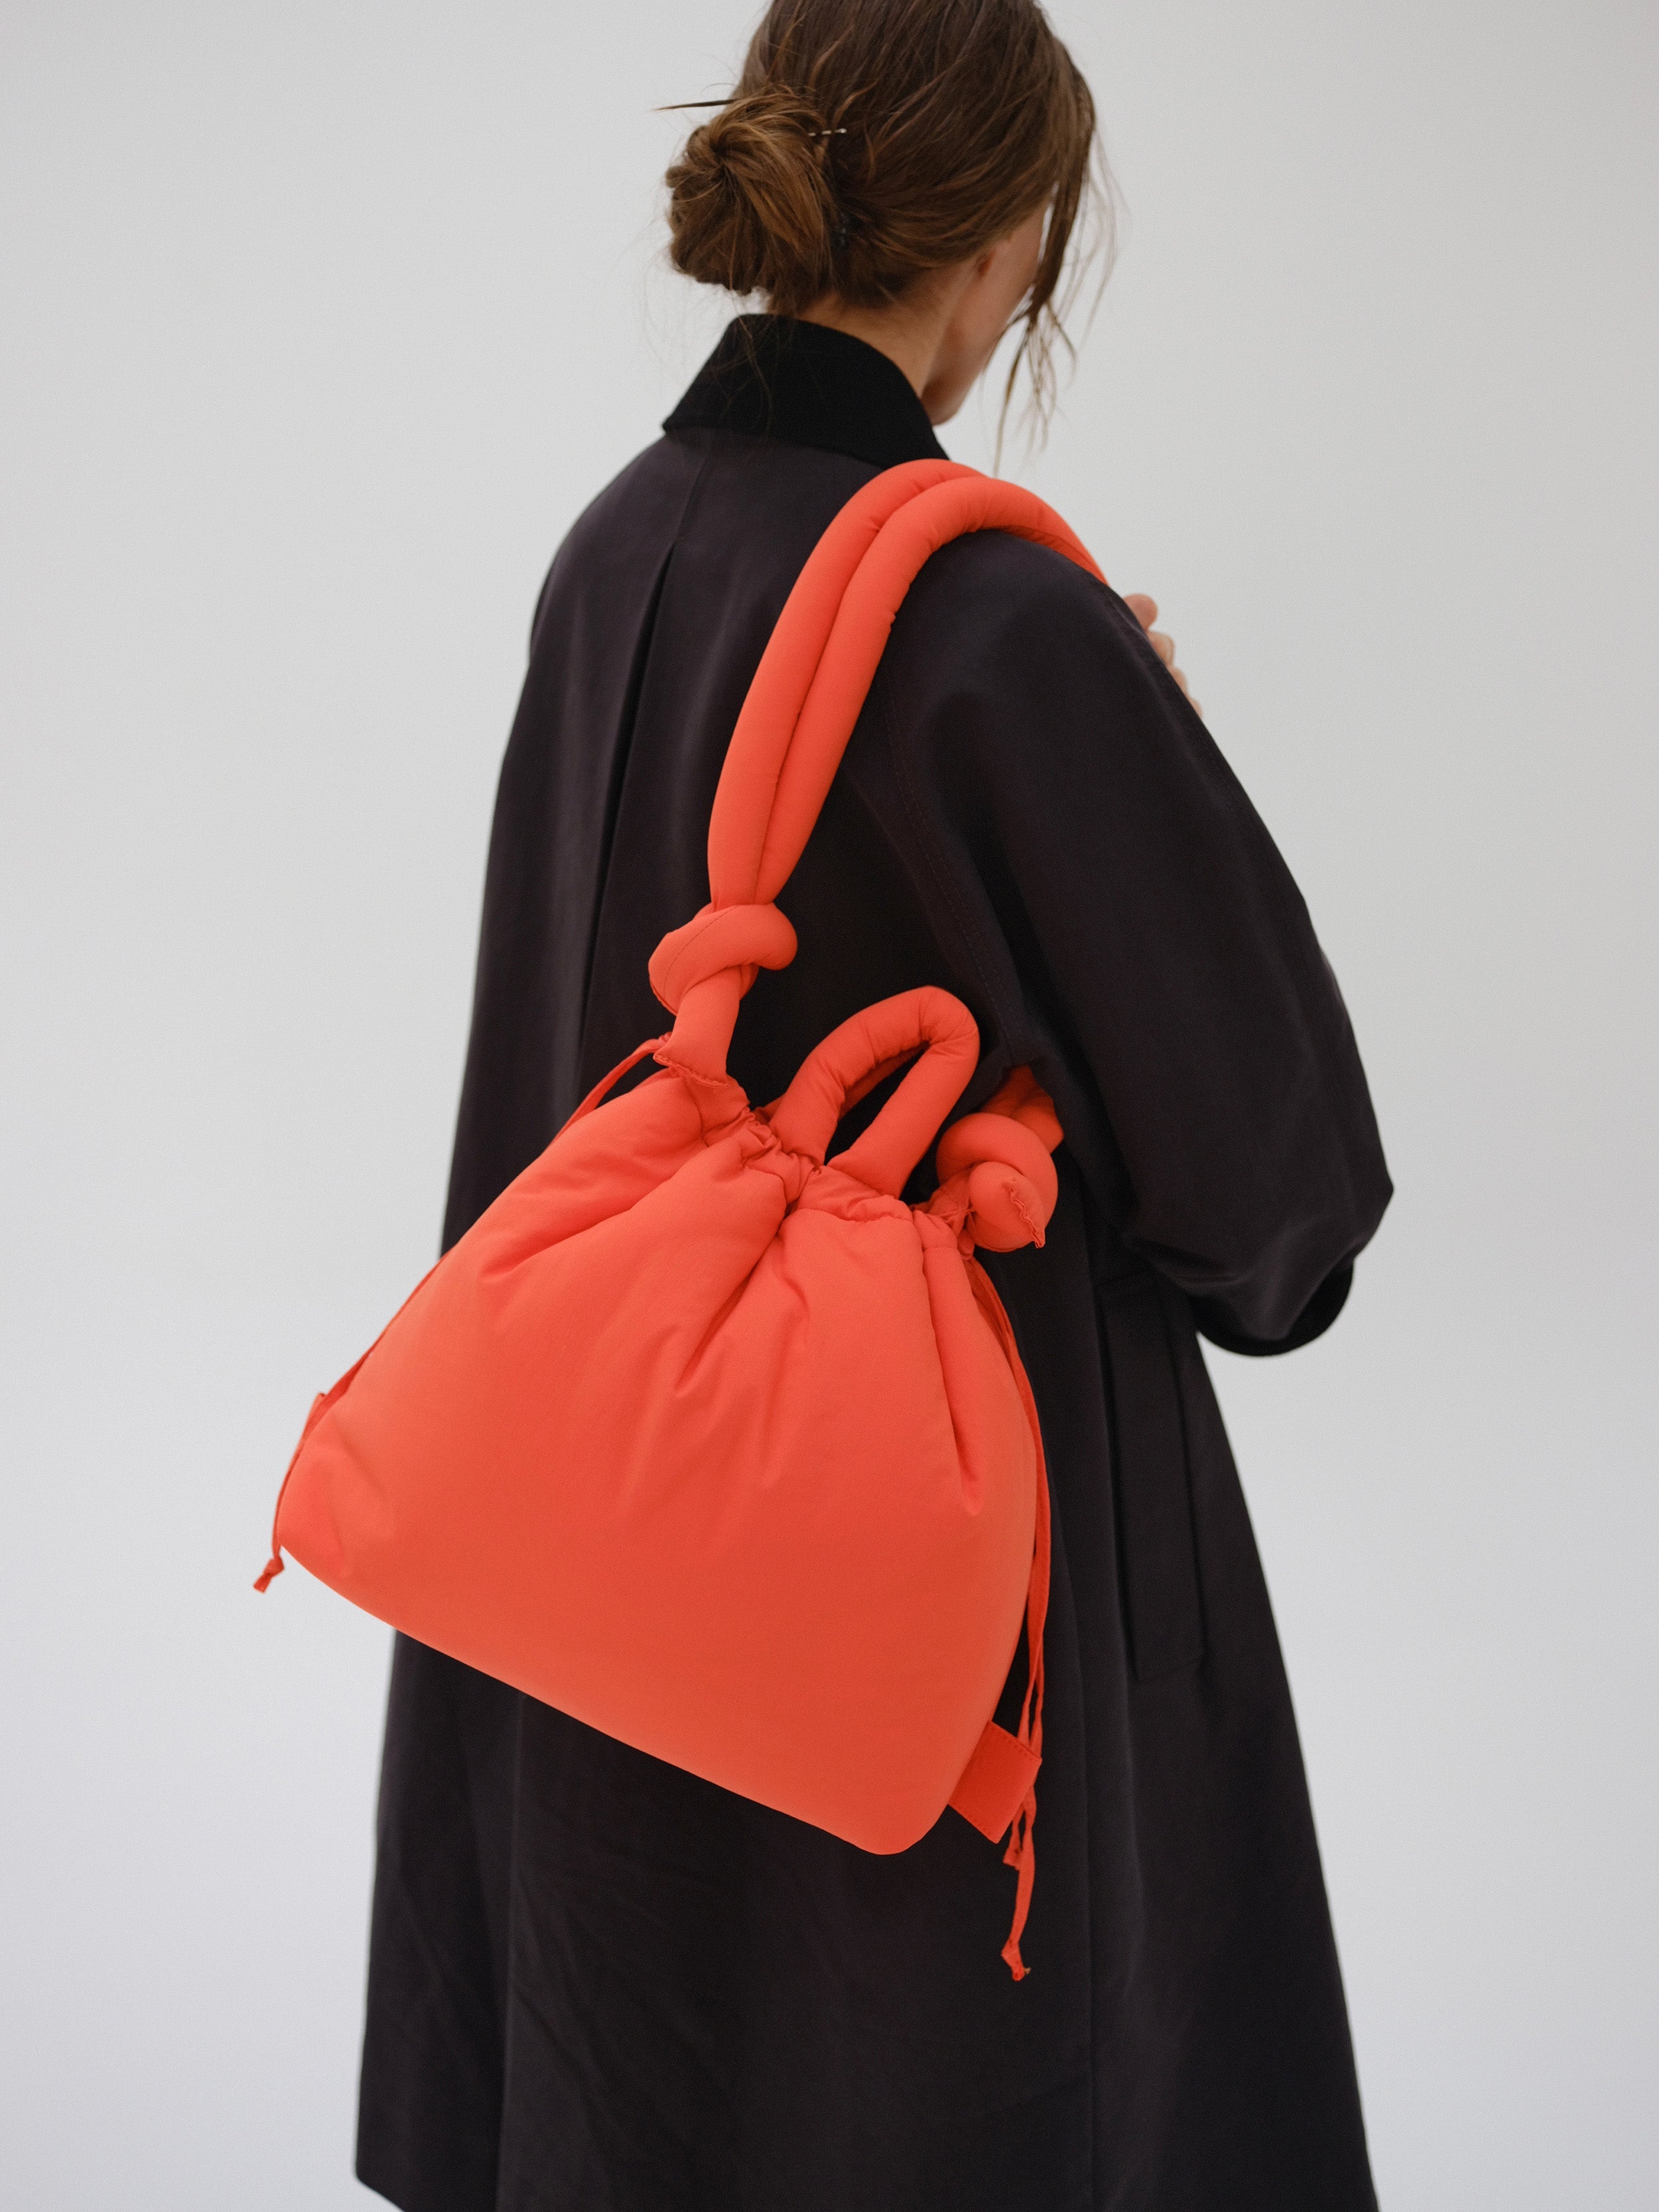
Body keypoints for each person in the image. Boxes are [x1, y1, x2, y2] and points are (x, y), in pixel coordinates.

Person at [354, 4, 1392, 2207]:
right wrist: (1139, 756)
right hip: (928, 1620)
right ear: (1010, 239)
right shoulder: (1000, 616)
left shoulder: (613, 547)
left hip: (604, 1557)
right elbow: (1273, 1219)